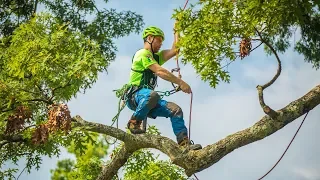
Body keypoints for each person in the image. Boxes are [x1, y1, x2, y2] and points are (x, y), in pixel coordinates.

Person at [124, 24, 202, 151]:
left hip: (148, 99)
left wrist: (176, 30)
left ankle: (184, 145)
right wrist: (180, 82)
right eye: (159, 40)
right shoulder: (142, 54)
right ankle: (134, 122)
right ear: (150, 38)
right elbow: (160, 71)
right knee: (152, 95)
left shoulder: (156, 57)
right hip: (135, 96)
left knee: (175, 110)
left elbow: (175, 50)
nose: (161, 44)